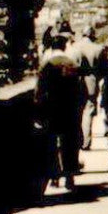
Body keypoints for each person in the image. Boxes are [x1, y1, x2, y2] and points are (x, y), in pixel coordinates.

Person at [35, 36, 86, 189]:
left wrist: (39, 109)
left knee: (51, 143)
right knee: (70, 142)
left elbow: (40, 90)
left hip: (52, 109)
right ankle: (70, 176)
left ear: (51, 47)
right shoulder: (72, 64)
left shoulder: (48, 64)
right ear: (64, 47)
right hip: (70, 109)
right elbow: (80, 89)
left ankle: (54, 176)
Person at [69, 34, 104, 150]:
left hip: (76, 83)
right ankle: (86, 142)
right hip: (92, 83)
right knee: (88, 112)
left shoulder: (74, 47)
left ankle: (78, 140)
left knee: (77, 112)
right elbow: (103, 68)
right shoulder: (98, 48)